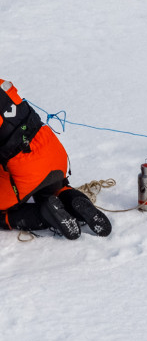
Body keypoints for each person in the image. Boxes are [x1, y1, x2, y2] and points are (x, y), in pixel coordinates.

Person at [1, 78, 112, 239]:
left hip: (27, 171)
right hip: (55, 156)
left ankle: (43, 216)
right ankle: (72, 198)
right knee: (45, 187)